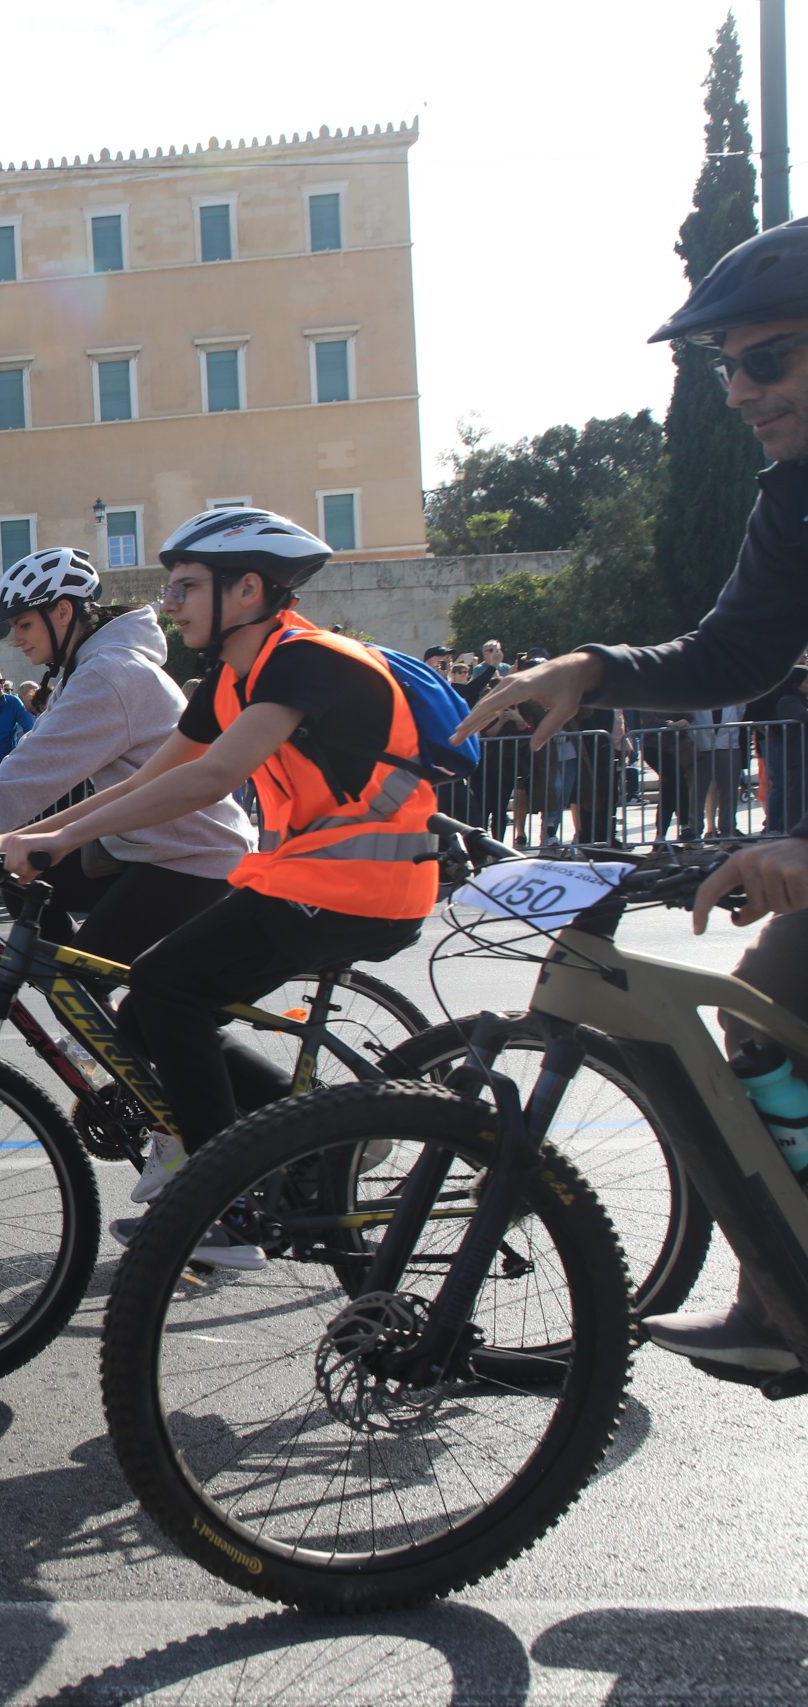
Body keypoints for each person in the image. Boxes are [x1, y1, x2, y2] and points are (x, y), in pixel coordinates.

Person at [453, 218, 808, 1370]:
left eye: (767, 360)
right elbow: (733, 651)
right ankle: (787, 1296)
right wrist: (593, 669)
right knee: (768, 1002)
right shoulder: (792, 501)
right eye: (727, 368)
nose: (739, 391)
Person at [0, 511, 438, 1266]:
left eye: (186, 586)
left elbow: (211, 778)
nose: (169, 602)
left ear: (247, 590)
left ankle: (227, 1208)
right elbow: (151, 780)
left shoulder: (305, 660)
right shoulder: (234, 677)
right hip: (313, 877)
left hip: (363, 883)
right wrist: (33, 838)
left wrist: (56, 840)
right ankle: (310, 1146)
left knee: (161, 988)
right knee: (147, 1012)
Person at [0, 547, 255, 1197]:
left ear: (64, 612)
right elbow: (44, 777)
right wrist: (13, 840)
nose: (17, 639)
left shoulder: (110, 676)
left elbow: (31, 772)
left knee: (97, 988)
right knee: (24, 887)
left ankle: (169, 1111)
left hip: (191, 856)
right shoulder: (91, 668)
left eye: (25, 624)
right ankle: (94, 1016)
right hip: (142, 847)